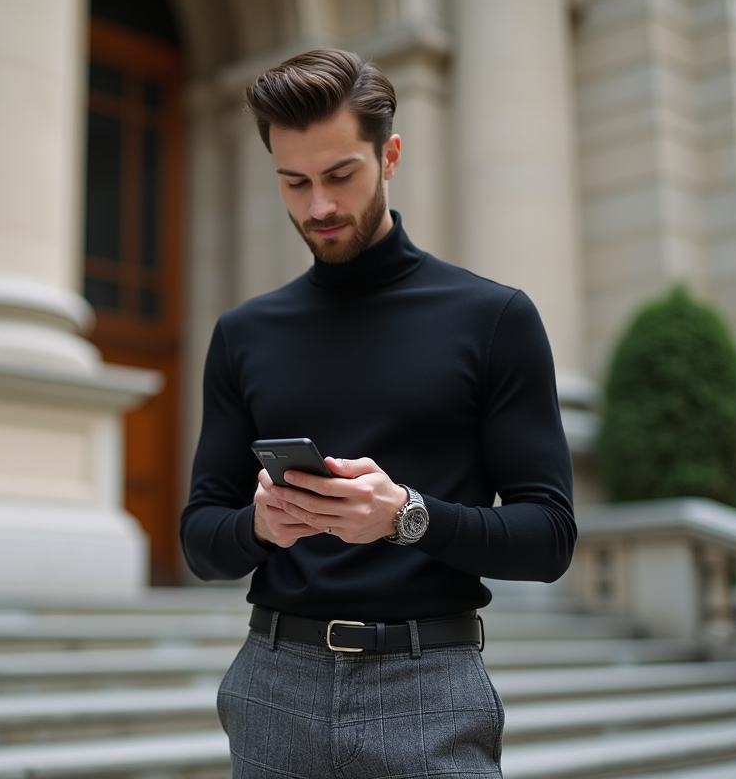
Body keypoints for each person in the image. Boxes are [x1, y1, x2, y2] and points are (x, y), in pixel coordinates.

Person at [180, 48, 575, 779]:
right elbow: (201, 538)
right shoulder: (244, 333)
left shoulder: (493, 318)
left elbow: (549, 537)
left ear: (389, 155)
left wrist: (407, 516)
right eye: (293, 183)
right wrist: (261, 526)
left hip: (430, 686)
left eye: (340, 176)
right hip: (272, 685)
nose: (318, 207)